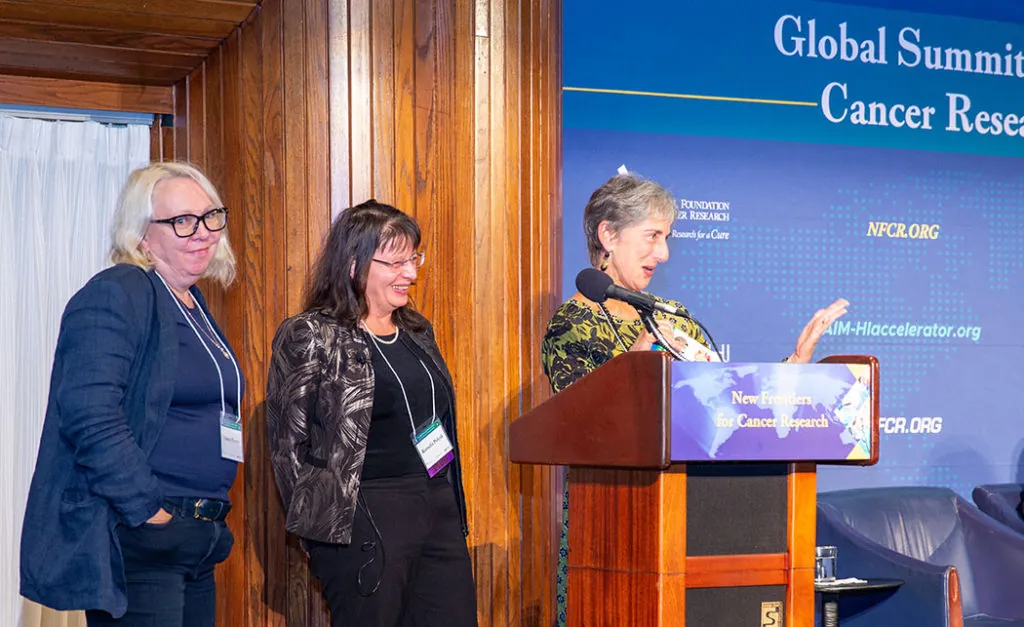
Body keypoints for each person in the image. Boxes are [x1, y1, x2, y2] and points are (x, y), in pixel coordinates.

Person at [541, 172, 848, 626]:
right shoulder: (573, 323)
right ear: (608, 235)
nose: (662, 253)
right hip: (615, 519)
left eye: (666, 238)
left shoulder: (672, 316)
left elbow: (728, 403)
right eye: (652, 236)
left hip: (697, 513)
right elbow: (578, 426)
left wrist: (794, 367)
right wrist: (635, 363)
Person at [20, 162, 244, 627]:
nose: (202, 232)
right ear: (141, 235)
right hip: (144, 543)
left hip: (196, 542)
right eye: (181, 221)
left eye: (210, 216)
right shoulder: (120, 291)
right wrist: (151, 513)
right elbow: (88, 413)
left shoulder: (193, 303)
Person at [266, 199, 476, 627]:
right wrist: (316, 529)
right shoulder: (311, 334)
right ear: (353, 265)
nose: (411, 274)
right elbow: (288, 445)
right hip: (363, 514)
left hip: (436, 502)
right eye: (396, 262)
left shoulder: (417, 330)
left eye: (413, 259)